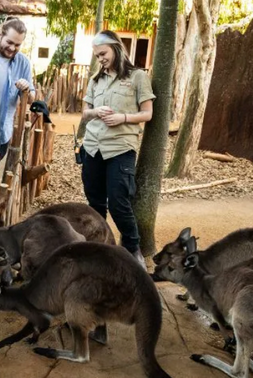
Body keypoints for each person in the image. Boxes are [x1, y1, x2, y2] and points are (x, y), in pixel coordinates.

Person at [80, 30, 155, 269]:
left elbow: (148, 113)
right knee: (95, 202)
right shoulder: (96, 79)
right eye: (97, 55)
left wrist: (122, 117)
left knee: (118, 202)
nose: (100, 59)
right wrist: (96, 112)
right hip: (93, 146)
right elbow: (85, 113)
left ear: (116, 48)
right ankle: (99, 247)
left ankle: (133, 249)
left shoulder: (138, 77)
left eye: (103, 53)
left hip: (121, 148)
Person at [0, 18, 35, 180]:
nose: (12, 48)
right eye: (9, 42)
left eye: (17, 45)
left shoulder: (23, 63)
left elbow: (31, 98)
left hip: (1, 132)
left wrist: (26, 89)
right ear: (0, 34)